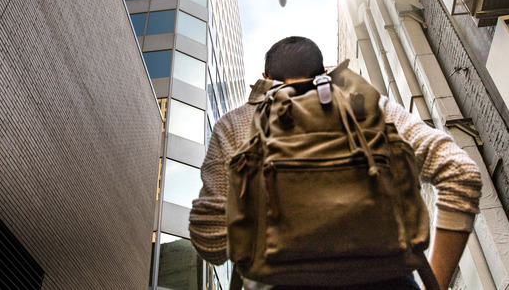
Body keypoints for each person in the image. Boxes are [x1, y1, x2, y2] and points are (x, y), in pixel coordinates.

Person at [190, 36, 482, 289]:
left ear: (265, 76)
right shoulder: (365, 106)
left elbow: (210, 242)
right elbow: (461, 173)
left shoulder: (237, 123)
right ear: (322, 71)